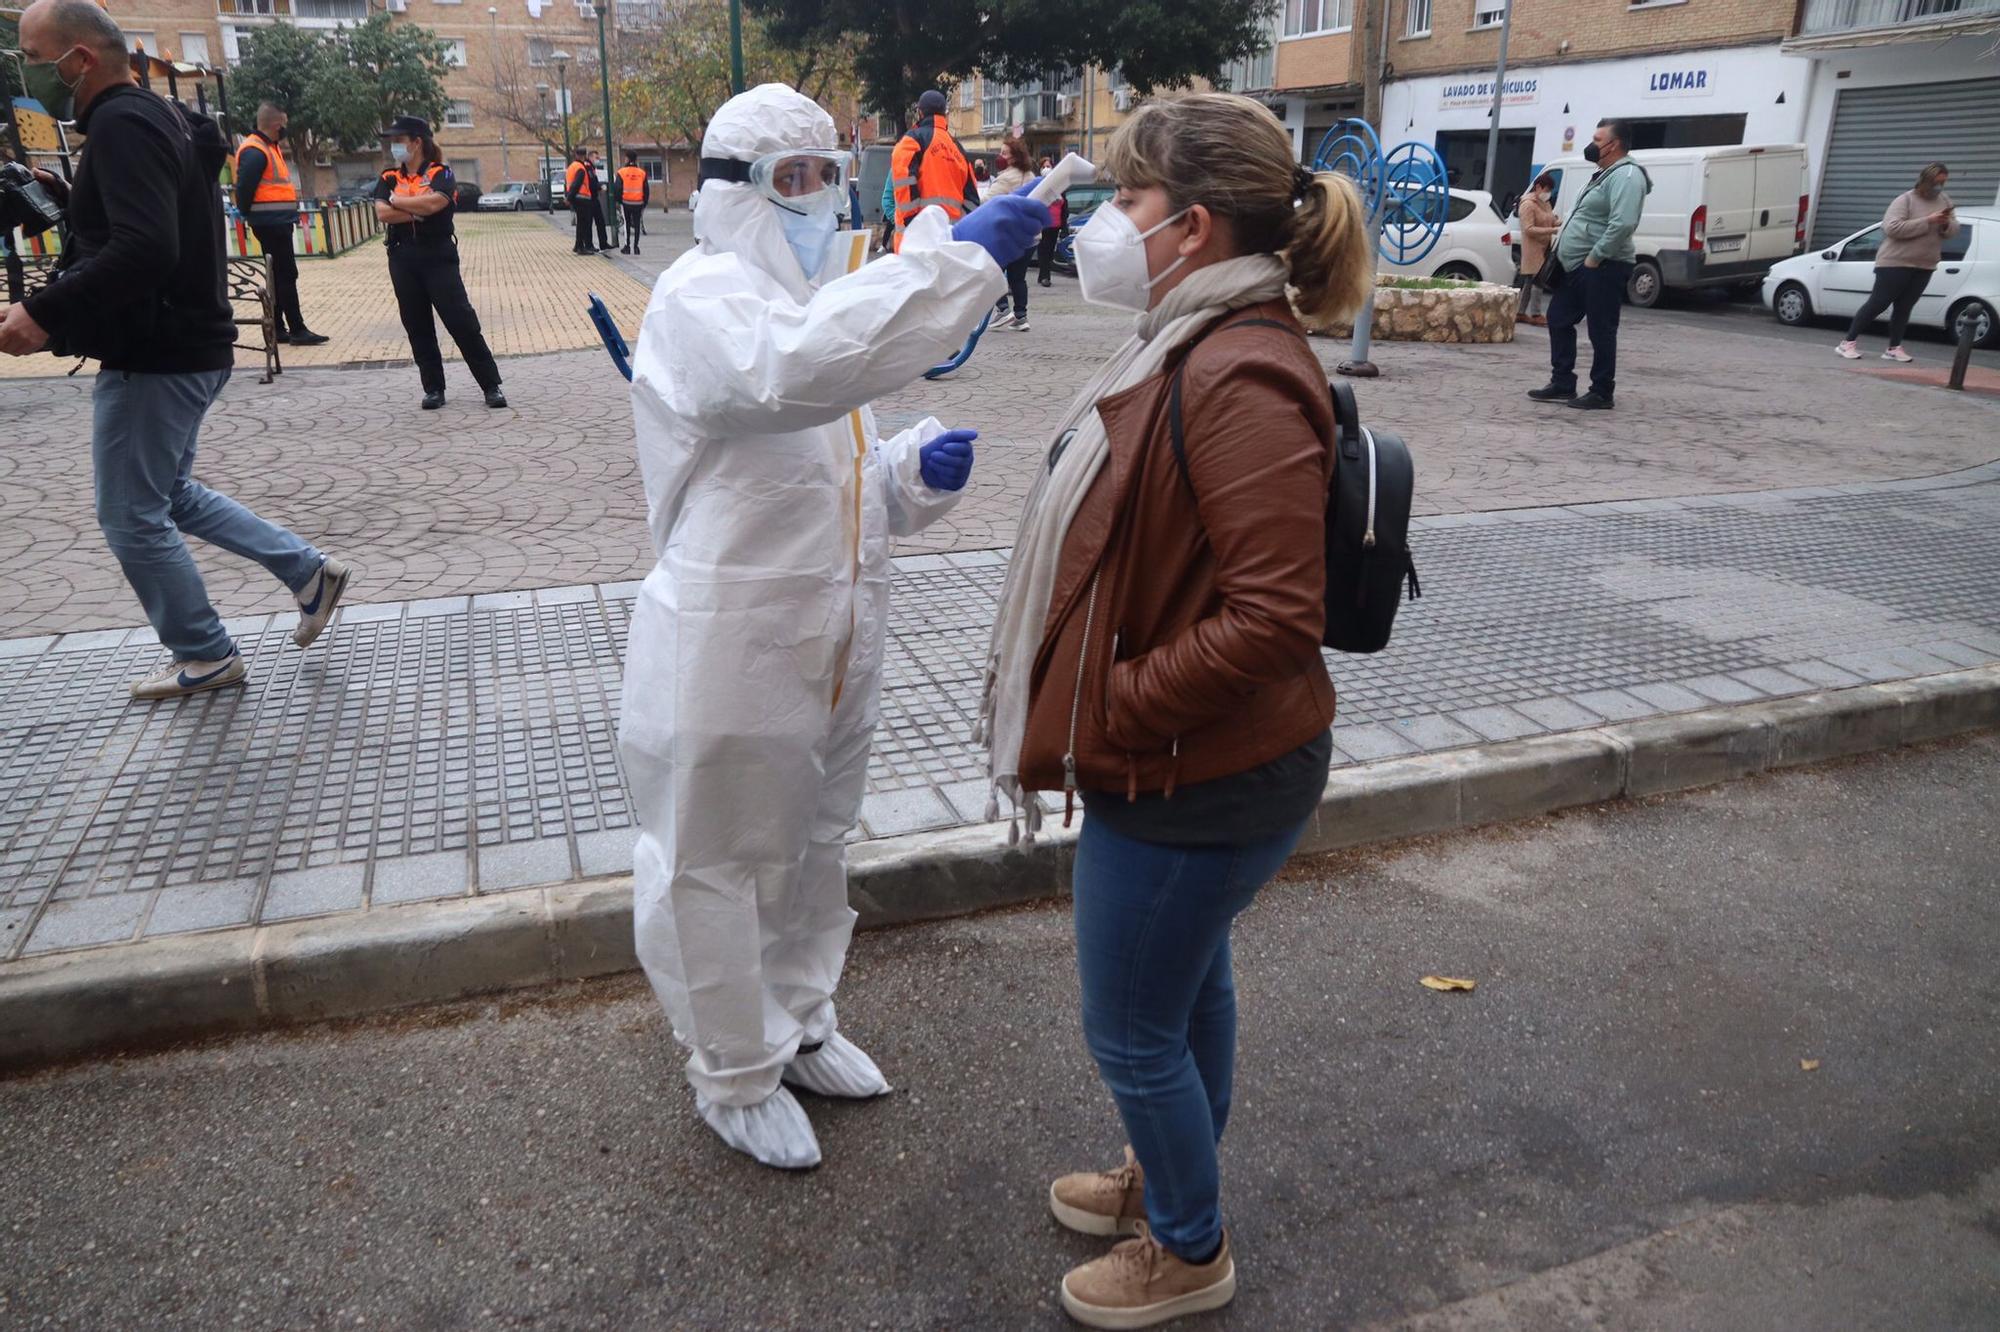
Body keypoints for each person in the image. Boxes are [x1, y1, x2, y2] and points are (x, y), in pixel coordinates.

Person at [975, 92, 1371, 1329]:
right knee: (1184, 987)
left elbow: (1271, 619)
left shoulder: (1238, 369)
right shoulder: (1191, 339)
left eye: (1126, 201)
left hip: (1198, 772)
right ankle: (1167, 1177)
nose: (1104, 223)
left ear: (1190, 226)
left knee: (1131, 1024)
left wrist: (1105, 709)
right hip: (1193, 764)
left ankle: (1188, 1248)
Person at [620, 83, 1048, 1171]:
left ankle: (800, 1022)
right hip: (730, 638)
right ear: (733, 192)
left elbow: (831, 474)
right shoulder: (702, 297)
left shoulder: (818, 307)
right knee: (714, 859)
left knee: (815, 847)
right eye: (790, 180)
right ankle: (731, 1072)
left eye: (826, 174)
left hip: (834, 635)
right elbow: (784, 376)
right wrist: (957, 266)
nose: (815, 200)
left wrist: (910, 470)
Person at [0, 0, 353, 700]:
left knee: (131, 513)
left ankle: (204, 653)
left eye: (35, 58)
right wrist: (72, 197)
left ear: (81, 60)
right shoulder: (148, 117)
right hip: (187, 341)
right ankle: (309, 573)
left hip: (157, 350)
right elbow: (152, 221)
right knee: (170, 495)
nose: (27, 73)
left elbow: (146, 246)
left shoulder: (123, 124)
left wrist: (42, 311)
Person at [373, 115, 505, 411]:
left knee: (461, 321)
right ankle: (433, 388)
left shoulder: (440, 173)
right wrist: (418, 211)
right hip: (402, 256)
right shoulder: (388, 177)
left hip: (438, 256)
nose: (395, 146)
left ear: (417, 142)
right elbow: (382, 213)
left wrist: (400, 202)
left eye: (399, 140)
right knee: (417, 325)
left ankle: (490, 385)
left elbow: (437, 203)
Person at [1528, 118, 1648, 411]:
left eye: (1597, 140)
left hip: (1604, 265)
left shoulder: (1627, 176)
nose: (1591, 145)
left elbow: (1623, 223)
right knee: (1558, 317)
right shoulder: (1603, 174)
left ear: (1613, 144)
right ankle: (1563, 382)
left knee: (1601, 329)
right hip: (1577, 266)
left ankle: (1602, 391)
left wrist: (1595, 257)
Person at [1836, 162, 1959, 364]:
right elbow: (1892, 228)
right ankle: (1847, 342)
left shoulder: (1944, 200)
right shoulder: (1906, 200)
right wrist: (1927, 221)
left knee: (1905, 306)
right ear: (1925, 180)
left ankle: (1894, 347)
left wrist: (1945, 224)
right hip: (1895, 261)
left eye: (1943, 183)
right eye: (1936, 183)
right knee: (1879, 302)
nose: (1939, 188)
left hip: (1925, 263)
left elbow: (1954, 230)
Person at [233, 103, 328, 345]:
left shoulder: (266, 147)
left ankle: (278, 327)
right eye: (283, 125)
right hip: (271, 222)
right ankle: (297, 329)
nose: (285, 129)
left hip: (275, 220)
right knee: (286, 274)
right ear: (276, 125)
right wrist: (247, 213)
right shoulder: (256, 150)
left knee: (276, 275)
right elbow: (244, 189)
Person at [888, 88, 979, 251]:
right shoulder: (958, 149)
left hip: (915, 241)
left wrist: (914, 225)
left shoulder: (912, 140)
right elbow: (972, 201)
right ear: (944, 113)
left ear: (920, 113)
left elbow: (905, 183)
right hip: (949, 243)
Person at [989, 136, 1037, 330]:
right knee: (1018, 277)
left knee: (992, 272)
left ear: (1014, 157)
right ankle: (1021, 317)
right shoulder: (1031, 176)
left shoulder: (1006, 178)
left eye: (1004, 153)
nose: (1000, 156)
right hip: (1030, 236)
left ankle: (1002, 309)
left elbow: (987, 201)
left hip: (1009, 236)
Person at [1514, 171, 1558, 327]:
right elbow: (1528, 229)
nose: (1548, 193)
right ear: (1538, 187)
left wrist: (1557, 223)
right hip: (1532, 248)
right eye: (1546, 189)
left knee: (1530, 280)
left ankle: (1520, 312)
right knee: (1538, 280)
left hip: (1545, 246)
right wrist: (1551, 231)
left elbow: (1550, 219)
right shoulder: (1527, 204)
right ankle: (1536, 313)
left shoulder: (1545, 203)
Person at [1037, 155, 1065, 287]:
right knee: (1044, 250)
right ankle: (1045, 276)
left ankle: (1043, 274)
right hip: (1043, 224)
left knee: (1049, 251)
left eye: (1048, 166)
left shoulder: (1059, 185)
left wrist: (1064, 224)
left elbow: (1064, 204)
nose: (1046, 169)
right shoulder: (1038, 184)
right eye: (1044, 167)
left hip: (1055, 224)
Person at [566, 149, 598, 254]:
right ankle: (580, 247)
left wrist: (569, 197)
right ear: (584, 156)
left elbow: (569, 184)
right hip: (582, 199)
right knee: (583, 224)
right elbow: (576, 184)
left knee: (580, 223)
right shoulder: (581, 168)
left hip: (576, 198)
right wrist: (569, 198)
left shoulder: (571, 167)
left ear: (576, 155)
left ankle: (577, 245)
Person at [617, 151, 649, 255]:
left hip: (625, 202)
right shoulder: (642, 173)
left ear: (627, 159)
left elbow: (617, 188)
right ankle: (636, 247)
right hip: (638, 203)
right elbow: (646, 189)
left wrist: (618, 200)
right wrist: (644, 202)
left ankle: (627, 246)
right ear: (635, 160)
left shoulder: (621, 172)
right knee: (637, 224)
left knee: (627, 223)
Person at [585, 150, 613, 250]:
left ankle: (603, 243)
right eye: (596, 158)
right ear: (590, 157)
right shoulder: (588, 167)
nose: (598, 160)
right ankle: (590, 245)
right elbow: (591, 183)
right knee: (589, 223)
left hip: (593, 197)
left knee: (600, 221)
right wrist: (600, 187)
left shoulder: (592, 168)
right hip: (590, 198)